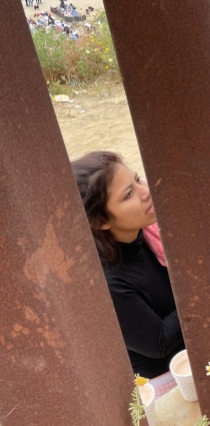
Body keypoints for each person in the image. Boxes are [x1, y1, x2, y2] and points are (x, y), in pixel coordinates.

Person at [71, 152, 184, 380]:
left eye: (137, 179)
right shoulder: (109, 281)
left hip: (194, 343)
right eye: (129, 194)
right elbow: (158, 342)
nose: (146, 192)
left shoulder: (149, 233)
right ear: (100, 221)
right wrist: (200, 285)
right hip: (170, 377)